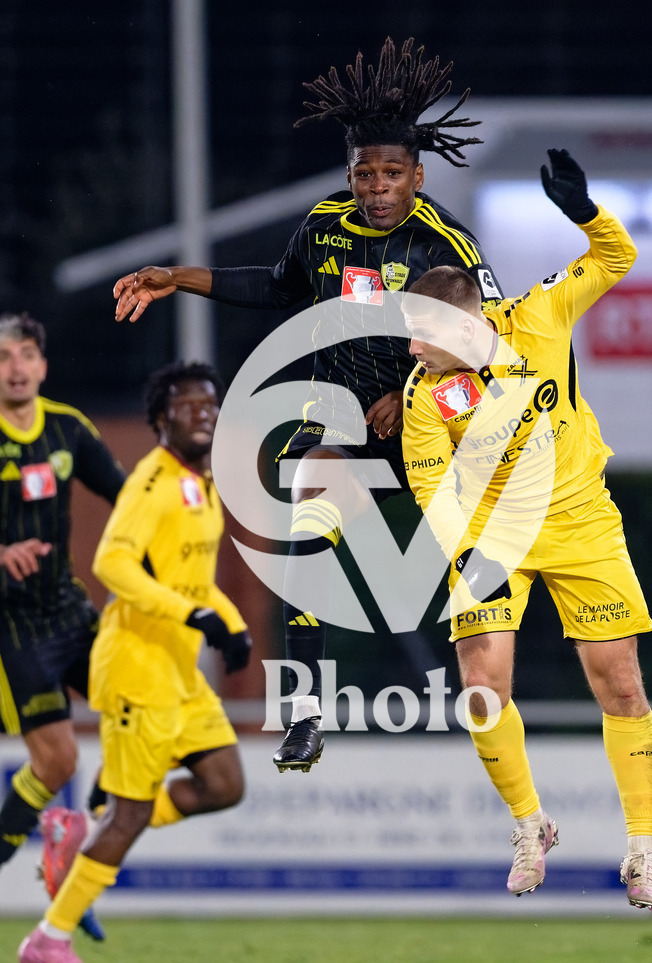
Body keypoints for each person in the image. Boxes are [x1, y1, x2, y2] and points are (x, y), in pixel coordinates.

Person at [111, 38, 503, 773]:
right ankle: (306, 716)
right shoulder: (325, 225)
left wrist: (407, 392)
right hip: (341, 418)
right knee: (308, 509)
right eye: (365, 174)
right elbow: (280, 285)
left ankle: (484, 676)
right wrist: (179, 277)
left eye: (392, 174)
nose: (377, 187)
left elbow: (493, 339)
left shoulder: (445, 242)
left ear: (417, 175)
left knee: (468, 550)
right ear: (350, 176)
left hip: (429, 414)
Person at [400, 150, 652, 912]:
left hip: (580, 521)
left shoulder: (540, 314)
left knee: (619, 683)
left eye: (422, 334)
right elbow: (428, 483)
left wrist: (582, 212)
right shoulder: (427, 392)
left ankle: (642, 852)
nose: (411, 350)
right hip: (489, 536)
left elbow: (617, 255)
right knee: (481, 692)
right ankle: (529, 827)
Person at [18, 361, 253, 963]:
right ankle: (48, 939)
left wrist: (230, 625)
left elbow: (194, 581)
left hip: (179, 671)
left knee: (224, 785)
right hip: (136, 669)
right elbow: (112, 564)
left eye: (210, 405)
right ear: (158, 422)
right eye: (186, 407)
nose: (202, 414)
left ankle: (87, 835)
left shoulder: (202, 481)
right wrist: (195, 617)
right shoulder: (149, 483)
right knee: (133, 812)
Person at [0, 312, 125, 940]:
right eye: (4, 357)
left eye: (25, 354)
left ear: (43, 365)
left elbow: (126, 498)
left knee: (140, 703)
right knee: (56, 761)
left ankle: (74, 838)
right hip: (11, 627)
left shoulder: (69, 428)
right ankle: (51, 849)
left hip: (70, 612)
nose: (16, 368)